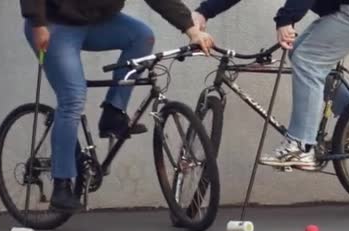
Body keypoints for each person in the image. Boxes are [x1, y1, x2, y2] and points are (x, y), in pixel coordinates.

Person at [20, 0, 215, 212]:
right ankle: (62, 185)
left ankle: (113, 111)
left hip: (96, 22)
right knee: (72, 98)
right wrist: (37, 23)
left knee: (141, 36)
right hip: (54, 24)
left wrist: (192, 31)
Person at [192, 0, 349, 169]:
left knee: (308, 61)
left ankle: (301, 146)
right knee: (300, 54)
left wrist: (286, 20)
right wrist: (204, 13)